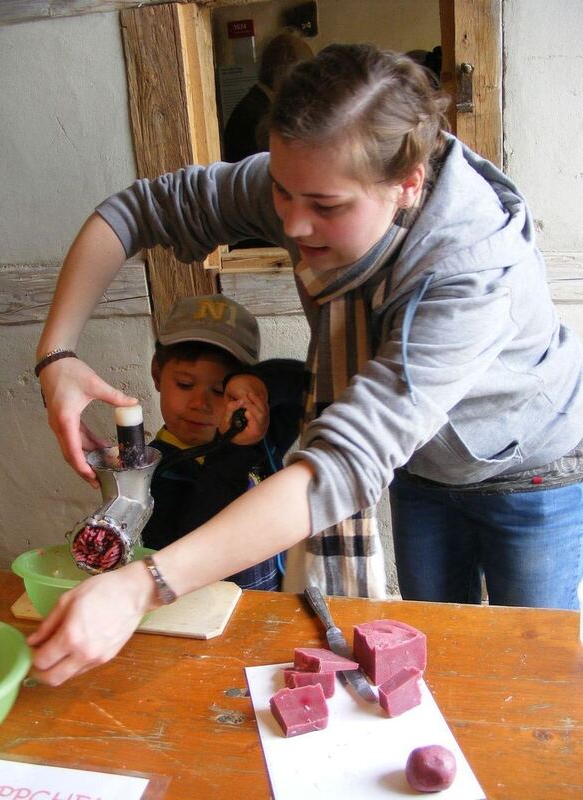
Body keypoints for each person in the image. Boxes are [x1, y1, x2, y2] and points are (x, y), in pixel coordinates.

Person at [31, 44, 583, 685]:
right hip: (419, 461)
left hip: (529, 468)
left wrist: (140, 588)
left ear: (407, 185)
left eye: (325, 207)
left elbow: (341, 466)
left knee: (536, 667)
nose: (292, 224)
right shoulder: (306, 182)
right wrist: (57, 356)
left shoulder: (469, 269)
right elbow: (134, 211)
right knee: (432, 652)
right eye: (281, 191)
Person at [142, 293, 303, 591]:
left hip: (273, 610)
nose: (200, 403)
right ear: (156, 373)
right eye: (185, 385)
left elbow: (304, 383)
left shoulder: (260, 438)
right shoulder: (155, 471)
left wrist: (260, 384)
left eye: (220, 390)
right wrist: (233, 448)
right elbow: (190, 547)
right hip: (208, 623)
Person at [223, 30, 313, 163]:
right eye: (305, 76)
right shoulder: (258, 116)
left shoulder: (255, 104)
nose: (307, 90)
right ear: (287, 73)